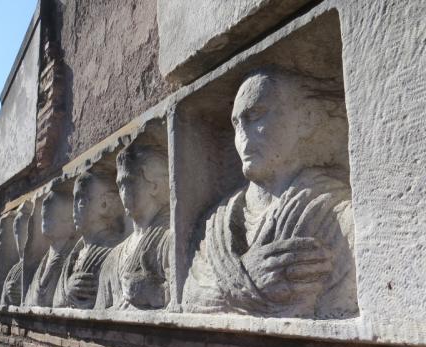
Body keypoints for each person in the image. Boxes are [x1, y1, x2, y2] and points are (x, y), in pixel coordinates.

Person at [183, 66, 357, 318]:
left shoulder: (336, 216)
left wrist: (231, 291)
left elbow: (339, 307)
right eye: (236, 123)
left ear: (306, 120)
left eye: (256, 115)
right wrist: (247, 284)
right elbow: (190, 297)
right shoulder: (216, 224)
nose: (242, 136)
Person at [96, 143, 171, 310]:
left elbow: (192, 292)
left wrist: (155, 293)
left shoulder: (171, 240)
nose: (122, 192)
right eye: (119, 185)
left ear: (154, 186)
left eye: (128, 182)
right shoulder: (113, 257)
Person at [53, 162, 125, 309]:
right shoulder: (74, 254)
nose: (73, 208)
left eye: (80, 199)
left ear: (104, 205)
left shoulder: (115, 250)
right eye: (74, 200)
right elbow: (55, 302)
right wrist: (67, 292)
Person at [24, 181, 77, 307]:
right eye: (44, 215)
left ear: (70, 223)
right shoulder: (45, 259)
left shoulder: (74, 256)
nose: (45, 218)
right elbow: (30, 300)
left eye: (52, 214)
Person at [0, 201, 33, 306]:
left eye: (23, 231)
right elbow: (2, 303)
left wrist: (21, 292)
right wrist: (7, 292)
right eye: (16, 233)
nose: (18, 238)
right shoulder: (14, 268)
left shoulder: (36, 263)